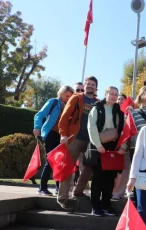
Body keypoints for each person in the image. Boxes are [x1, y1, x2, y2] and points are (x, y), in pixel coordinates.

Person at [57, 76, 99, 210]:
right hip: (74, 138)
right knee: (68, 168)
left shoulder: (98, 103)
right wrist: (63, 134)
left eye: (93, 84)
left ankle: (78, 191)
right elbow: (64, 117)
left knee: (88, 168)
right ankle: (63, 198)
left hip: (90, 141)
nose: (90, 86)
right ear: (85, 85)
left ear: (96, 87)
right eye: (88, 84)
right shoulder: (76, 98)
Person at [87, 86, 126, 217]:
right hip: (99, 146)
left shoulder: (120, 113)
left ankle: (106, 206)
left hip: (114, 148)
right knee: (98, 178)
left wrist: (123, 147)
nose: (114, 96)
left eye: (116, 94)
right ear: (106, 94)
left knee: (110, 179)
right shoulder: (96, 108)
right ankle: (95, 207)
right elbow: (91, 127)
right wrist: (98, 145)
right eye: (111, 94)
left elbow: (124, 131)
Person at [33, 85, 75, 196]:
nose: (68, 98)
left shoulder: (70, 106)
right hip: (51, 133)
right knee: (51, 160)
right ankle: (42, 188)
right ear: (61, 94)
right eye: (66, 96)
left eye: (70, 97)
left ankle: (57, 188)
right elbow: (39, 115)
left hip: (62, 136)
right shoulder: (53, 102)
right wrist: (37, 127)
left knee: (60, 161)